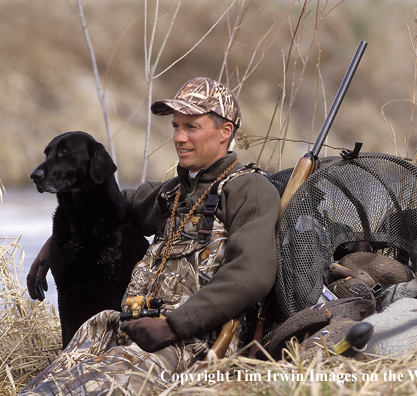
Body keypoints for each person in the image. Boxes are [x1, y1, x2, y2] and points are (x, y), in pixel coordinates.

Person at [20, 77, 280, 395]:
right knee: (40, 389)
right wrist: (52, 245)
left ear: (225, 132)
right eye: (175, 126)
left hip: (188, 342)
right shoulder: (177, 193)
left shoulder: (248, 189)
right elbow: (110, 204)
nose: (179, 138)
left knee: (92, 390)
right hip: (133, 328)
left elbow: (252, 274)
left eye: (191, 127)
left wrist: (173, 326)